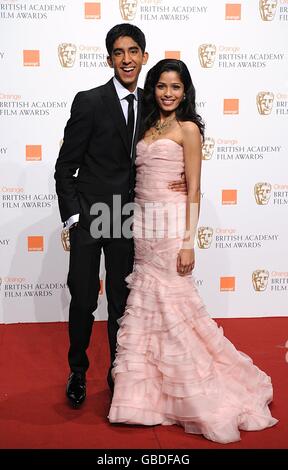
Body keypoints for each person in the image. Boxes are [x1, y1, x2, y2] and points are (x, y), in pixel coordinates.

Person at [108, 59, 278, 443]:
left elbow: (194, 189)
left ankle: (199, 392)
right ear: (153, 88)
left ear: (186, 92)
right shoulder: (147, 126)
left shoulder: (189, 130)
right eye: (162, 86)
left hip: (170, 230)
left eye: (176, 88)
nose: (168, 93)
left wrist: (188, 242)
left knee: (177, 308)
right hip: (142, 227)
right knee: (148, 310)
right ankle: (146, 399)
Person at [55, 24, 184, 408]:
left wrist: (181, 179)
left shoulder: (153, 103)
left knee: (121, 300)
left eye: (133, 51)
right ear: (109, 58)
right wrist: (75, 218)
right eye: (118, 52)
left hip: (132, 218)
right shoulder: (89, 101)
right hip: (92, 215)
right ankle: (77, 371)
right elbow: (65, 168)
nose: (126, 59)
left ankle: (119, 373)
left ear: (145, 56)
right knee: (82, 299)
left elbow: (177, 140)